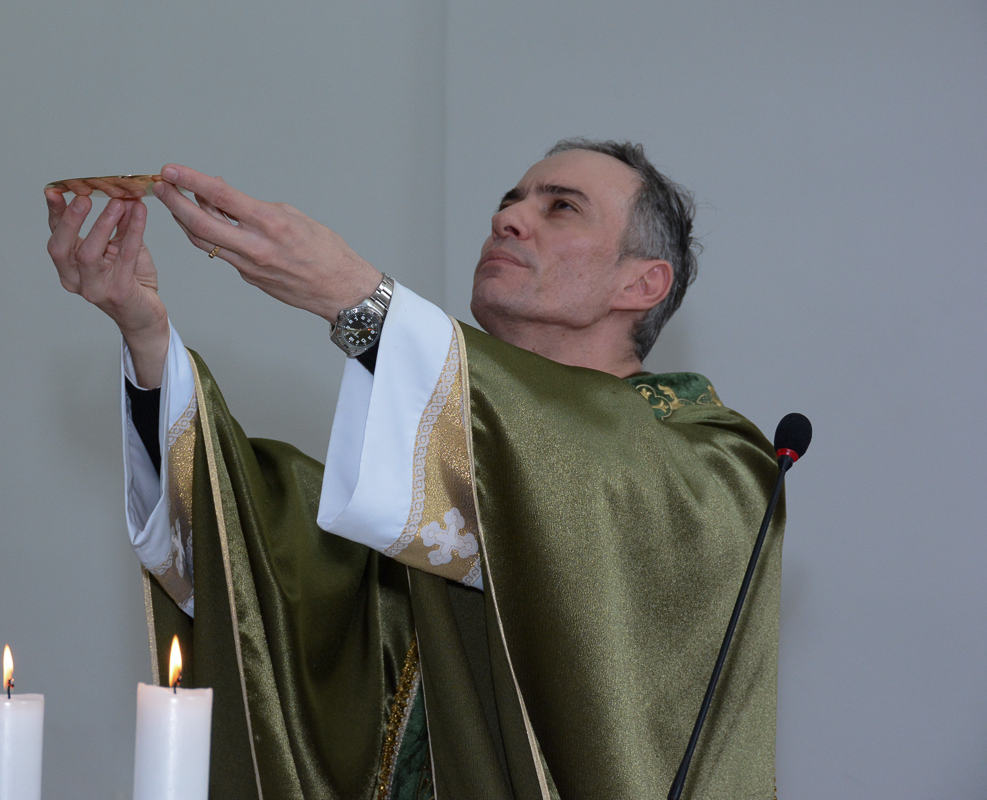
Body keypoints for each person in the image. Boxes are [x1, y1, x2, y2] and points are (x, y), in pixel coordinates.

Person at [45, 139, 783, 800]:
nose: (510, 218)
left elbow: (585, 475)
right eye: (510, 201)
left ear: (642, 285)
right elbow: (251, 559)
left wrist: (358, 300)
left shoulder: (714, 469)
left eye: (561, 208)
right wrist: (145, 334)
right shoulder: (435, 491)